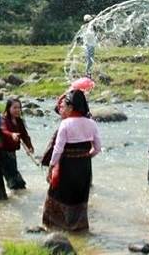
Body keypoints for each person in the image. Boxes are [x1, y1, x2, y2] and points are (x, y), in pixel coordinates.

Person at [42, 90, 101, 232]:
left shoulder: (66, 124)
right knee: (79, 198)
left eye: (65, 105)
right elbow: (98, 148)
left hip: (67, 166)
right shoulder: (91, 123)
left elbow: (58, 149)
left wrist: (51, 166)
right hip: (84, 167)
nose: (64, 108)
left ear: (71, 106)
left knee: (58, 195)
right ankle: (78, 229)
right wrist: (86, 156)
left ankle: (56, 227)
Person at [0, 98, 33, 190]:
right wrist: (12, 134)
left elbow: (25, 135)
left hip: (12, 153)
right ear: (8, 108)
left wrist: (29, 146)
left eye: (19, 108)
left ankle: (17, 198)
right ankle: (14, 199)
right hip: (3, 153)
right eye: (14, 108)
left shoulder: (19, 121)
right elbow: (3, 130)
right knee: (13, 180)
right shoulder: (3, 119)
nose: (17, 110)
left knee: (17, 181)